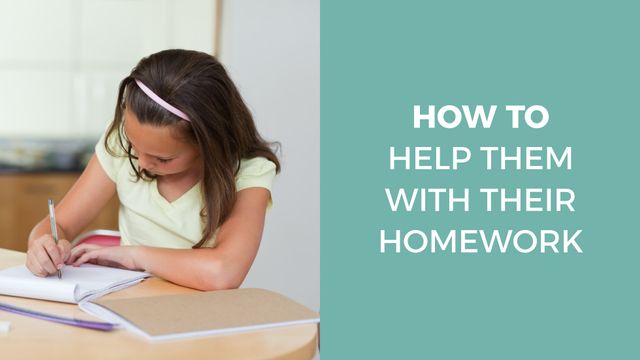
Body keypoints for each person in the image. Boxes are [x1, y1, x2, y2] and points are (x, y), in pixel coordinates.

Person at [25, 49, 280, 291]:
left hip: (199, 316)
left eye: (162, 158)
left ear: (208, 144)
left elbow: (223, 271)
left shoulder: (249, 171)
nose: (142, 163)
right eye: (135, 146)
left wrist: (135, 256)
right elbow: (59, 224)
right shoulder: (120, 141)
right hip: (128, 303)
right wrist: (43, 245)